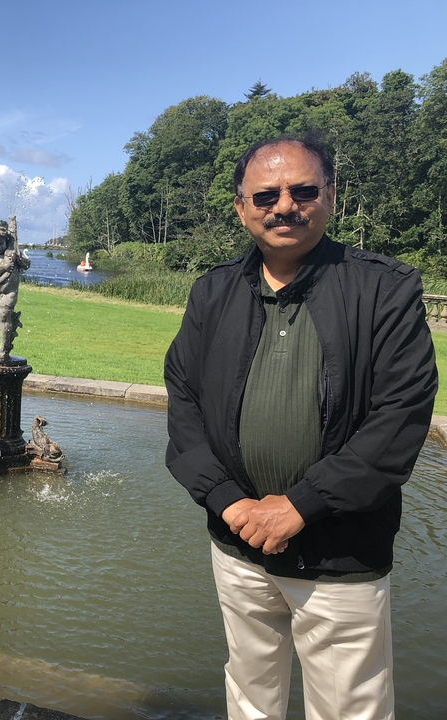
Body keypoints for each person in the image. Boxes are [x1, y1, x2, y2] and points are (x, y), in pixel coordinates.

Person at [164, 134, 437, 720]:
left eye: (303, 191)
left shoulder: (384, 288)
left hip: (340, 552)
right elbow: (183, 403)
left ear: (330, 196)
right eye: (265, 196)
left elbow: (400, 416)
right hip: (238, 544)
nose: (284, 206)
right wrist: (230, 502)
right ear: (241, 207)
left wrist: (300, 505)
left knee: (349, 709)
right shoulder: (212, 292)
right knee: (249, 694)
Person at [0, 219, 29, 359]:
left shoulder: (13, 253)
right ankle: (8, 335)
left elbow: (27, 264)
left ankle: (3, 347)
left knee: (3, 316)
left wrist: (19, 260)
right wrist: (5, 266)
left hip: (9, 292)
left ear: (6, 239)